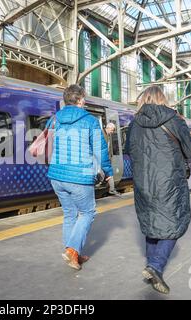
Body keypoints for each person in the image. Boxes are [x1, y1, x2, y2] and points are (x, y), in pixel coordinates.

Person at [127, 86, 191, 294]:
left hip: (143, 182)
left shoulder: (134, 123)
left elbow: (129, 150)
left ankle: (151, 265)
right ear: (162, 99)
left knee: (151, 223)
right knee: (173, 222)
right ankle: (155, 266)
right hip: (169, 182)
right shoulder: (174, 120)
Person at [47, 84, 113, 271]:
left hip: (57, 175)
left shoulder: (55, 119)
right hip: (79, 176)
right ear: (81, 100)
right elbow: (100, 151)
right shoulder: (90, 121)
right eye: (84, 98)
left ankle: (73, 251)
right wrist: (107, 172)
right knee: (87, 213)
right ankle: (72, 250)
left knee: (69, 214)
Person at [103, 122, 121, 196]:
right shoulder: (102, 134)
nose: (112, 132)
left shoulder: (107, 135)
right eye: (112, 130)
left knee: (109, 172)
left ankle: (112, 189)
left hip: (106, 157)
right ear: (108, 128)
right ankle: (112, 189)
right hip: (102, 157)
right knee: (107, 172)